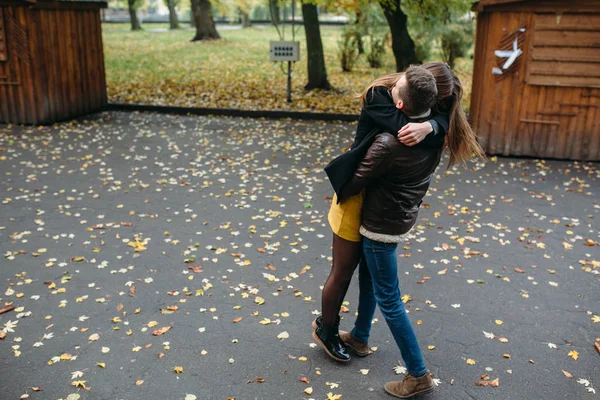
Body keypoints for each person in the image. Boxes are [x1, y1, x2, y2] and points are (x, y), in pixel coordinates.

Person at [337, 63, 484, 398]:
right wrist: (432, 124)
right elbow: (435, 118)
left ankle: (417, 375)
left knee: (389, 297)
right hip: (398, 215)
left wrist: (344, 186)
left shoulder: (397, 140)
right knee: (369, 277)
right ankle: (360, 335)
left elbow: (362, 173)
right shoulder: (435, 131)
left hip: (381, 222)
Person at [314, 65, 450, 363]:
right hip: (355, 194)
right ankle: (327, 329)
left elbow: (433, 121)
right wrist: (431, 126)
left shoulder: (424, 113)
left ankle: (359, 336)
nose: (394, 82)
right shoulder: (379, 96)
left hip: (376, 198)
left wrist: (431, 125)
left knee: (368, 275)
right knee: (343, 271)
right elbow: (404, 130)